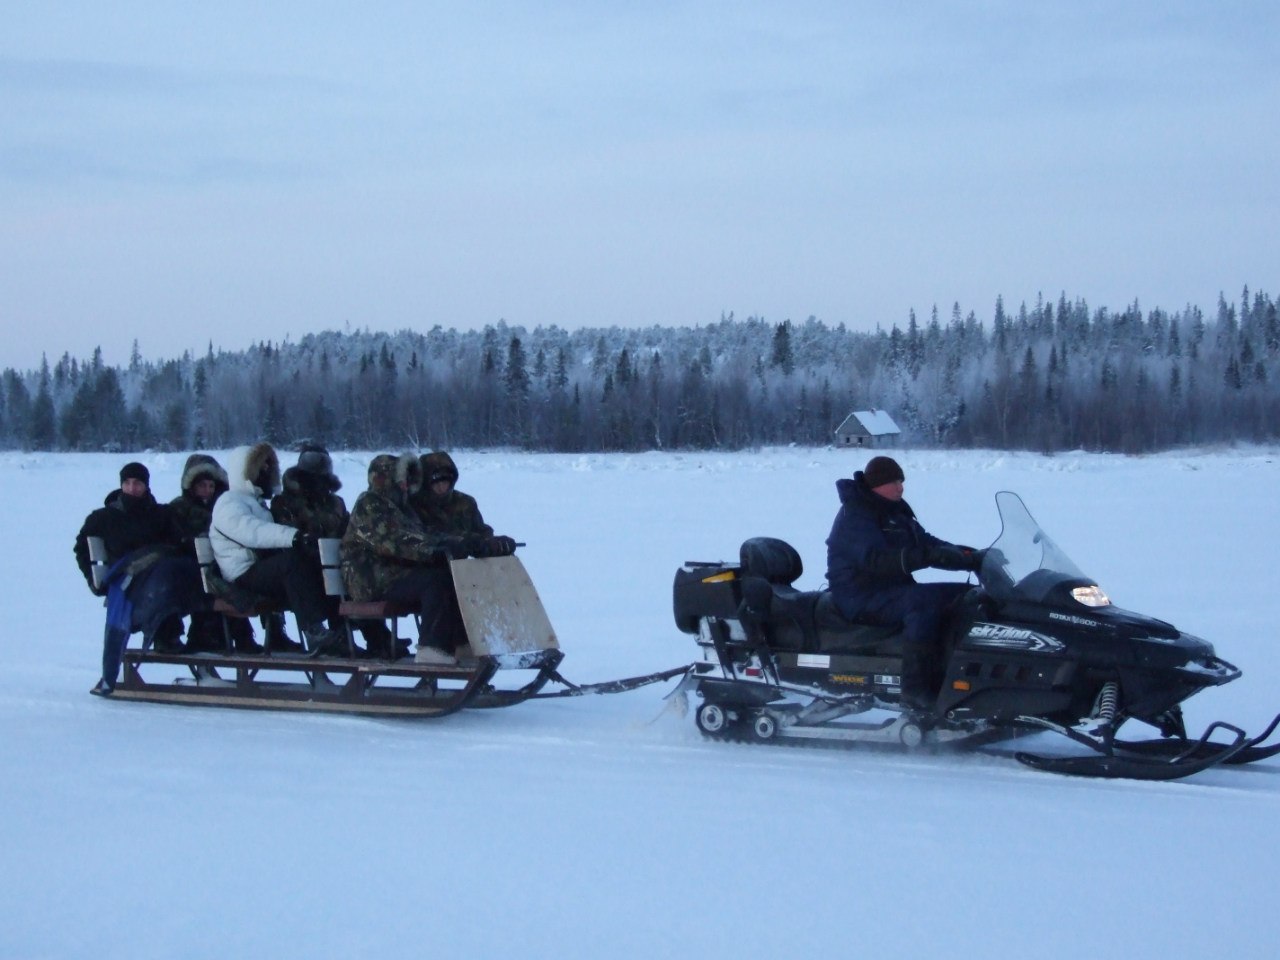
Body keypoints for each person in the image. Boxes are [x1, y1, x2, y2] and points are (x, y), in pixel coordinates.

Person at [825, 455, 983, 711]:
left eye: (901, 481)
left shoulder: (894, 511)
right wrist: (927, 557)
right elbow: (875, 561)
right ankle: (915, 689)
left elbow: (925, 542)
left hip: (891, 590)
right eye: (894, 482)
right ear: (877, 484)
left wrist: (969, 556)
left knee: (966, 596)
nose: (900, 488)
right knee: (924, 604)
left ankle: (960, 676)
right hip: (859, 595)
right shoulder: (856, 514)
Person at [74, 461, 203, 695]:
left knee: (187, 569)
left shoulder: (161, 514)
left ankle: (193, 634)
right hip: (127, 582)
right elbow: (81, 548)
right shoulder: (104, 517)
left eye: (137, 483)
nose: (132, 488)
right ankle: (167, 633)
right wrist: (94, 581)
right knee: (169, 572)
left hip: (161, 576)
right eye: (127, 483)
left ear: (146, 486)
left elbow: (179, 543)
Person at [209, 442, 343, 656]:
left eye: (268, 466)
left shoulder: (255, 502)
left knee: (316, 565)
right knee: (291, 563)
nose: (266, 471)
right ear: (245, 470)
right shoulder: (229, 503)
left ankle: (339, 632)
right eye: (261, 466)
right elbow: (252, 531)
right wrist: (294, 537)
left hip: (257, 569)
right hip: (241, 574)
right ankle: (313, 630)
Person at [342, 454, 471, 664]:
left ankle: (461, 643)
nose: (405, 486)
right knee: (434, 581)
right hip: (369, 580)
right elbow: (391, 541)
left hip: (392, 574)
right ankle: (431, 647)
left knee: (451, 575)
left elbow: (423, 533)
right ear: (385, 479)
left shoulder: (401, 508)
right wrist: (431, 552)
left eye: (407, 481)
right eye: (400, 480)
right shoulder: (369, 504)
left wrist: (464, 542)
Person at [168, 453, 262, 654]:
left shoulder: (222, 508)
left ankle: (243, 635)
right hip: (193, 568)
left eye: (211, 486)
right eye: (202, 485)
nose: (207, 490)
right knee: (220, 584)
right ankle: (233, 635)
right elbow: (176, 538)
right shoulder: (179, 508)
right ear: (192, 486)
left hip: (222, 563)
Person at [263, 443, 349, 652]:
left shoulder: (335, 503)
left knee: (346, 575)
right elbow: (286, 536)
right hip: (304, 569)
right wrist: (309, 542)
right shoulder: (284, 502)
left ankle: (350, 637)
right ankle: (320, 634)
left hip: (335, 564)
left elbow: (347, 530)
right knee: (320, 574)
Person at [410, 451, 517, 560]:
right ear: (424, 483)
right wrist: (461, 541)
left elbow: (481, 532)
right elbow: (420, 537)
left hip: (460, 567)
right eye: (436, 483)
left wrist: (494, 545)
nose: (441, 487)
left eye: (445, 482)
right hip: (423, 566)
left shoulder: (465, 503)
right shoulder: (413, 505)